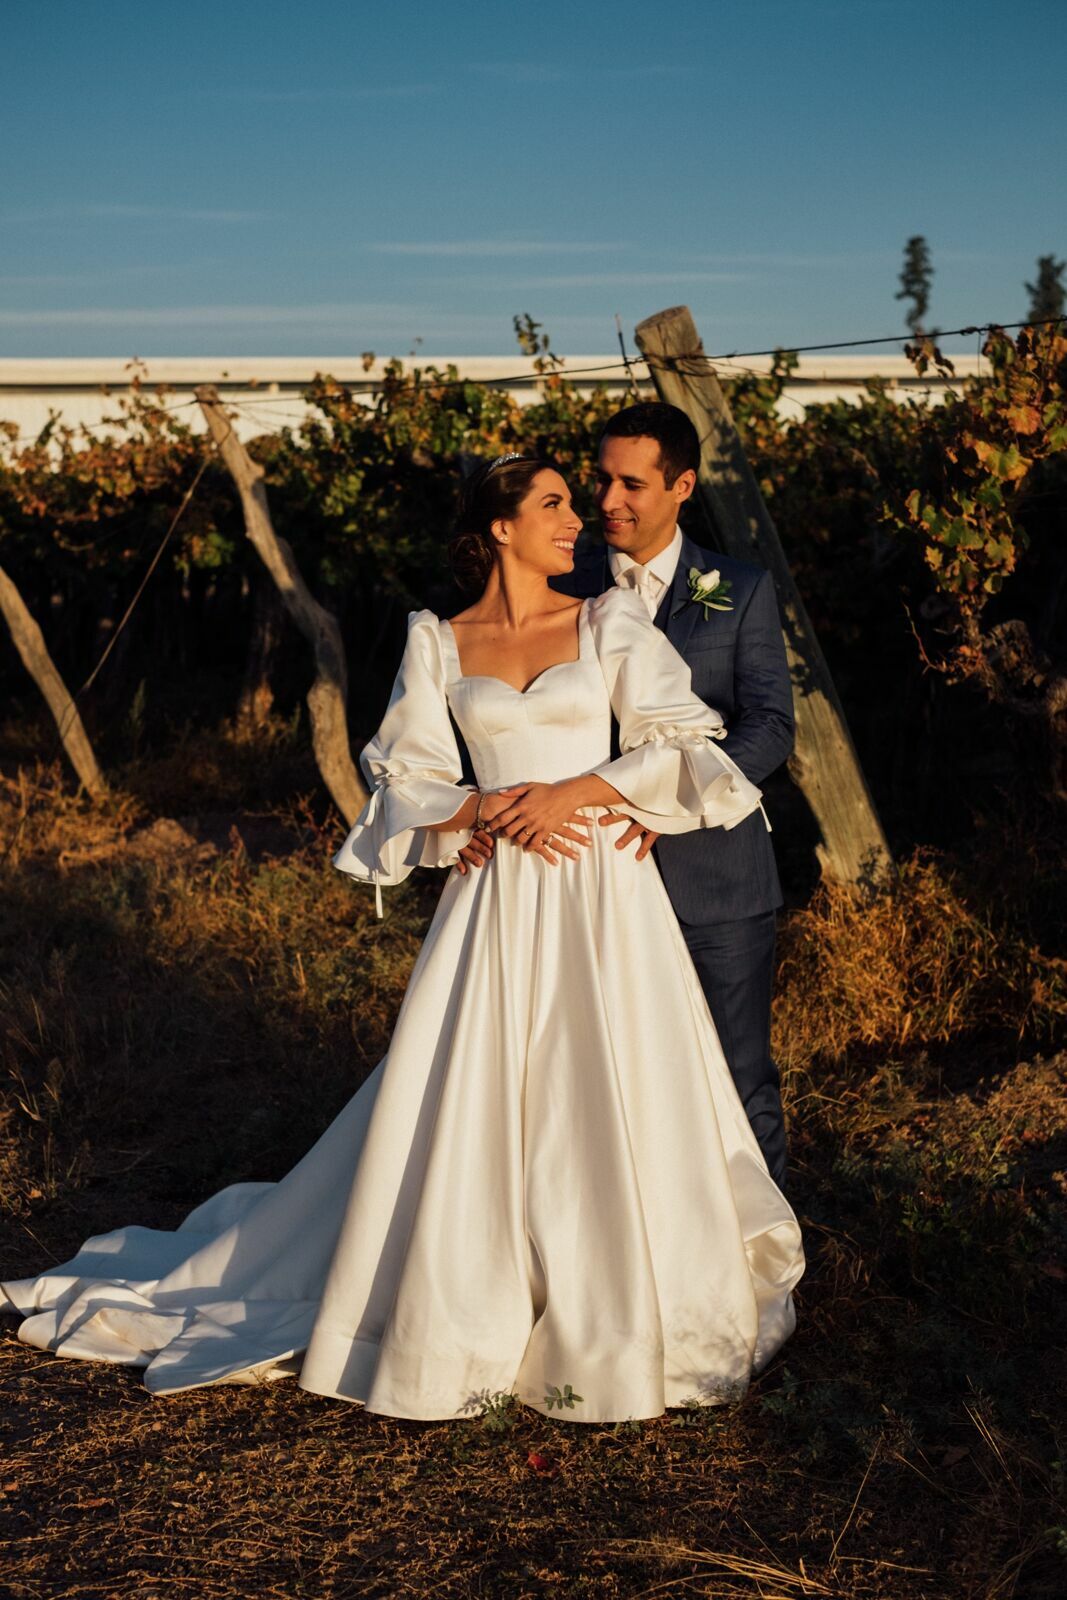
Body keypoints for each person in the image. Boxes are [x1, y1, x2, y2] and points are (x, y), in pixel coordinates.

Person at [2, 456, 804, 1424]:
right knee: (481, 1087)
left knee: (609, 1078)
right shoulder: (437, 638)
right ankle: (467, 1302)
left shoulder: (607, 619)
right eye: (551, 503)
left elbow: (682, 738)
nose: (576, 518)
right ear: (499, 528)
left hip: (600, 891)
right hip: (497, 891)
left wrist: (574, 793)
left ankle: (617, 1299)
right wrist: (470, 809)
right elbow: (403, 774)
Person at [459, 405, 794, 1189]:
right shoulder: (559, 583)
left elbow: (770, 726)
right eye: (600, 478)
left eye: (631, 483)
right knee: (603, 1088)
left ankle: (767, 1259)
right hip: (584, 883)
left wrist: (654, 803)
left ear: (681, 486)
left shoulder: (736, 589)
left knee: (737, 1074)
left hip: (713, 875)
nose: (607, 499)